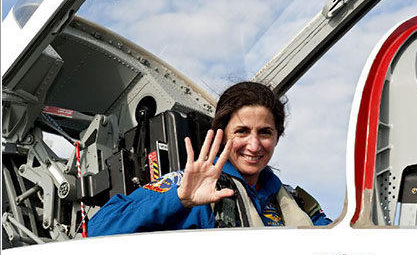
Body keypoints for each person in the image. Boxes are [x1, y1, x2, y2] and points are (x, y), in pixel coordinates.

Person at [88, 82, 331, 236]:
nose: (254, 145)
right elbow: (100, 228)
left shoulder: (296, 202)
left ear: (277, 137)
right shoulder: (187, 186)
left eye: (265, 132)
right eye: (242, 131)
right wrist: (178, 199)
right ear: (223, 136)